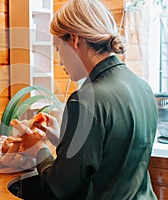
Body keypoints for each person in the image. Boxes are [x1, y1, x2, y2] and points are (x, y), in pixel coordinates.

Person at [19, 0, 158, 199]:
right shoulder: (142, 87)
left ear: (75, 40)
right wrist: (63, 140)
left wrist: (38, 149)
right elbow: (113, 155)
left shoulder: (84, 101)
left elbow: (60, 187)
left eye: (58, 48)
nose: (59, 61)